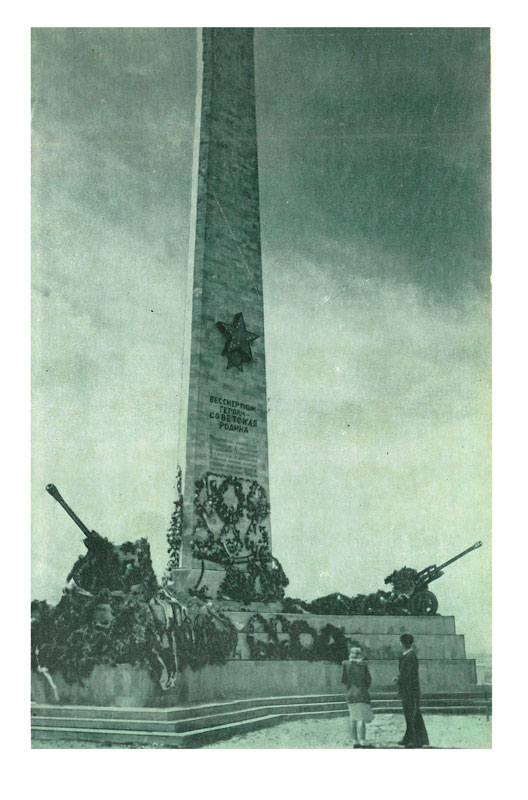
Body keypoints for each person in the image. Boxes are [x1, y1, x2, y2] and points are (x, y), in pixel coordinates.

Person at [393, 633, 429, 748]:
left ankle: (415, 740)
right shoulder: (408, 656)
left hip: (411, 691)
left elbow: (408, 675)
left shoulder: (410, 656)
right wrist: (399, 678)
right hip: (408, 690)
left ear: (402, 643)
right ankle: (408, 737)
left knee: (413, 715)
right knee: (409, 715)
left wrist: (399, 679)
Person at [342, 641, 374, 748]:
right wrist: (363, 688)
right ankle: (363, 740)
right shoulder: (363, 665)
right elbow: (368, 680)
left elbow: (344, 680)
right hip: (362, 693)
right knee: (361, 718)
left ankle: (355, 741)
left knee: (353, 718)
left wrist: (350, 688)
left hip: (350, 694)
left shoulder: (346, 664)